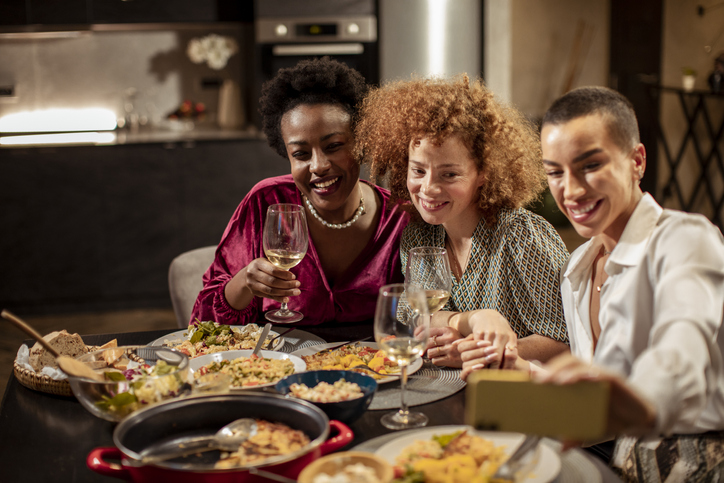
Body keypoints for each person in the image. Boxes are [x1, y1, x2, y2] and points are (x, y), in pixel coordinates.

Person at [510, 85, 724, 480]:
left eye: (590, 165)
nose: (570, 190)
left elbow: (682, 351)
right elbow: (601, 406)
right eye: (555, 172)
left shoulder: (686, 239)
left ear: (637, 160)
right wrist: (520, 369)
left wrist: (642, 403)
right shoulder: (577, 265)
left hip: (700, 460)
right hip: (621, 459)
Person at [354, 75, 570, 368]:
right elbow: (416, 315)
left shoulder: (522, 236)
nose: (428, 188)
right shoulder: (419, 237)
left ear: (483, 173)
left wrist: (477, 353)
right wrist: (462, 321)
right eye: (418, 171)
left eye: (449, 174)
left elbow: (566, 340)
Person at [191, 58, 409, 326]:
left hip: (371, 366)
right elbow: (202, 321)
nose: (319, 166)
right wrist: (244, 283)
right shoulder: (267, 203)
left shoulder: (399, 218)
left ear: (362, 143)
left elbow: (421, 319)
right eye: (301, 154)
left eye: (334, 146)